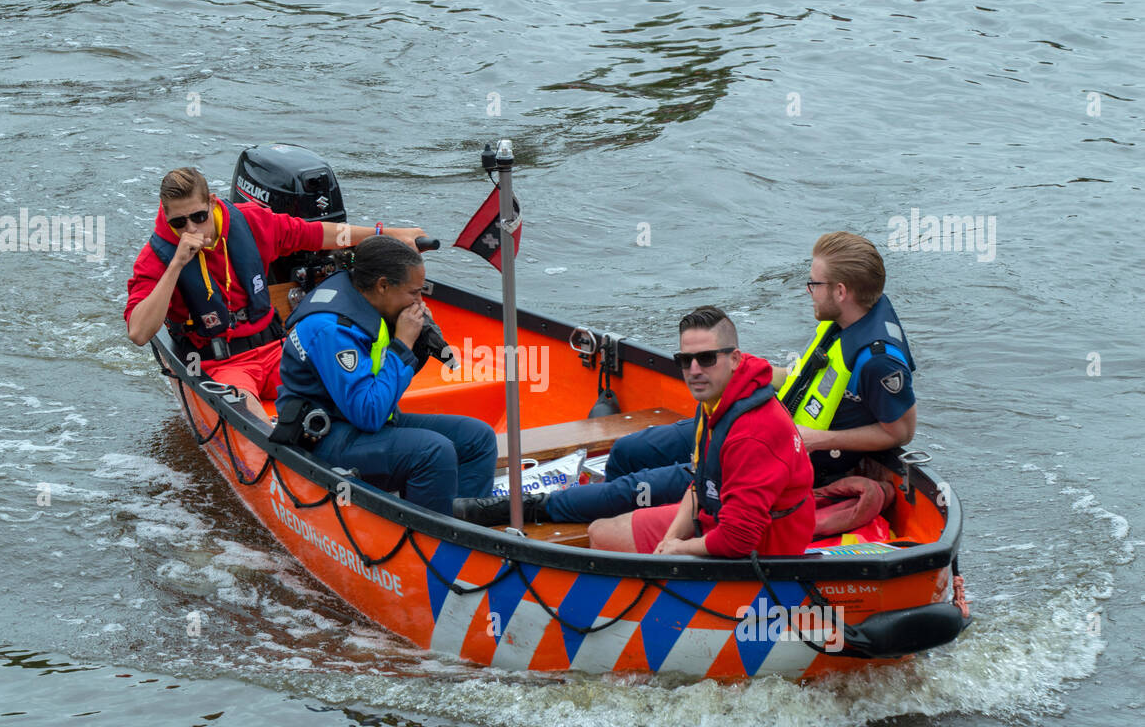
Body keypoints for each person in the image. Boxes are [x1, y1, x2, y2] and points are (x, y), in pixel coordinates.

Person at [453, 230, 916, 525]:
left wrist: (813, 439)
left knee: (633, 485)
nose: (807, 292)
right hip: (753, 419)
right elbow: (804, 378)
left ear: (841, 291)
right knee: (631, 450)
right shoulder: (843, 322)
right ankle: (640, 514)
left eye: (813, 283)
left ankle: (528, 511)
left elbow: (900, 430)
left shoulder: (878, 358)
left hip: (774, 457)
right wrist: (746, 371)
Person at [124, 166, 426, 420]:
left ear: (213, 203)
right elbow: (139, 332)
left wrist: (387, 234)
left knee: (342, 387)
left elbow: (319, 234)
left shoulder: (250, 221)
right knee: (247, 414)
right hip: (222, 366)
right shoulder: (157, 256)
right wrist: (177, 264)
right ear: (166, 218)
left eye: (198, 217)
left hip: (276, 349)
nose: (191, 228)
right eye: (179, 223)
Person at [276, 235, 497, 516]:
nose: (419, 301)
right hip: (325, 435)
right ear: (383, 285)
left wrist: (415, 345)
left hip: (361, 420)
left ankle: (468, 529)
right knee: (433, 453)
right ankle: (431, 544)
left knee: (478, 439)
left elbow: (383, 387)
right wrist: (402, 344)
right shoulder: (332, 329)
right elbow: (369, 412)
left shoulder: (370, 302)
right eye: (414, 292)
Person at [586, 306, 814, 556]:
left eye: (707, 358)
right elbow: (700, 484)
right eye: (685, 360)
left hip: (767, 551)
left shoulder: (752, 433)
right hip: (719, 516)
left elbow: (739, 539)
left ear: (735, 359)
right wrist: (669, 539)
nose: (694, 370)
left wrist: (680, 549)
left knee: (601, 535)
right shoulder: (717, 400)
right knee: (604, 520)